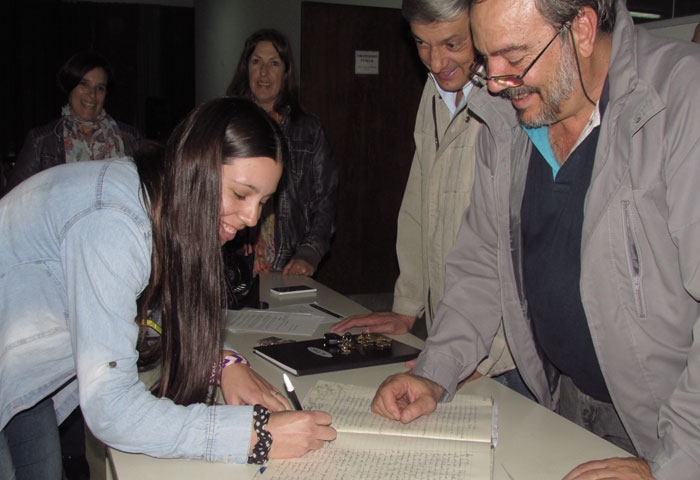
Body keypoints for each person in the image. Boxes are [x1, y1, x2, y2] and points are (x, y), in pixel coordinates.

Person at [372, 0, 700, 478]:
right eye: (487, 59)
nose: (497, 81)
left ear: (583, 29)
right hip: (565, 401)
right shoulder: (509, 118)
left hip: (669, 427)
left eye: (514, 57)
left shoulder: (681, 101)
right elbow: (482, 264)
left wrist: (672, 465)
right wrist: (434, 371)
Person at [0, 97, 336, 479]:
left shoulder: (159, 196)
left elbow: (160, 307)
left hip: (26, 379)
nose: (252, 218)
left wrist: (221, 362)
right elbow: (110, 408)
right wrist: (252, 435)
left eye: (263, 201)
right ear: (197, 168)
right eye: (241, 194)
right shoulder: (114, 222)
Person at [331, 0, 525, 395]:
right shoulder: (434, 91)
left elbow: (512, 240)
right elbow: (419, 202)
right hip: (449, 334)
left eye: (452, 44)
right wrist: (407, 305)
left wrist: (482, 355)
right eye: (422, 44)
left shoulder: (513, 100)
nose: (436, 62)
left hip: (503, 353)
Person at [226, 29, 338, 277]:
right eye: (257, 62)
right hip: (231, 258)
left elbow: (326, 202)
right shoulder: (226, 123)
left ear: (285, 72)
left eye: (274, 63)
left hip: (287, 264)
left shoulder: (308, 130)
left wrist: (309, 253)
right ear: (246, 68)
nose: (264, 73)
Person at [5, 51, 142, 195]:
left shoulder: (130, 138)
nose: (92, 95)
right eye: (84, 84)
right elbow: (15, 199)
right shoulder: (41, 142)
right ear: (70, 87)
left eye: (100, 88)